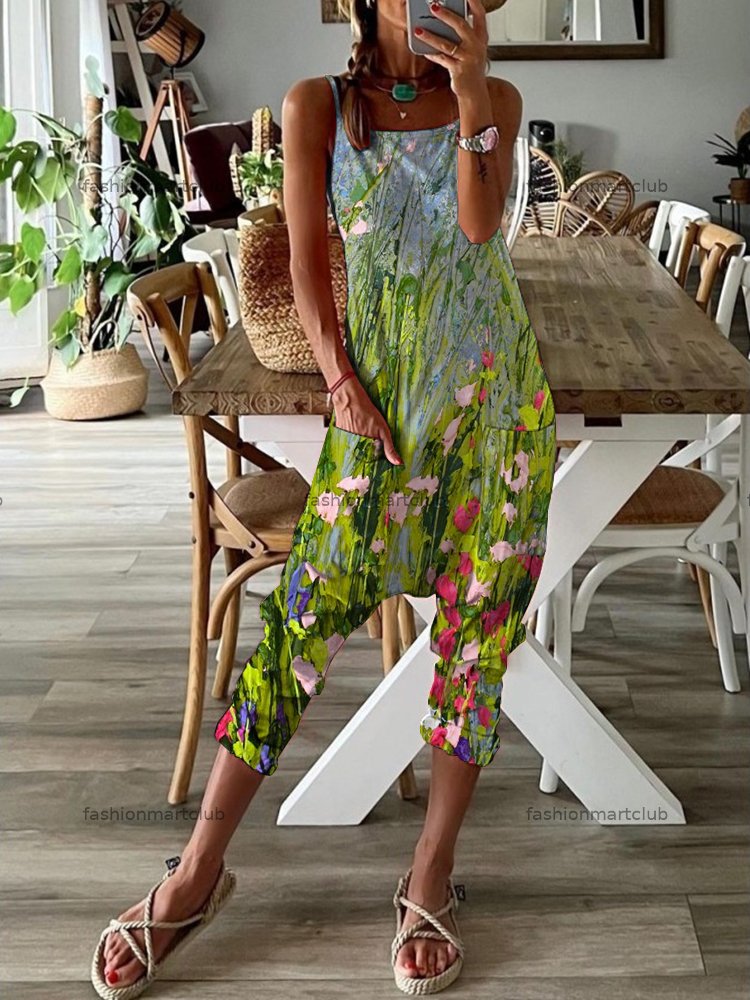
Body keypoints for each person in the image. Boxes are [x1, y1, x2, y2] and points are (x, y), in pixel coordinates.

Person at [90, 0, 556, 996]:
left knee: (476, 643)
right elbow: (307, 265)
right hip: (374, 413)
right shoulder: (317, 107)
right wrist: (340, 380)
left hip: (496, 415)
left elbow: (479, 228)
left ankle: (429, 873)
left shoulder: (497, 97)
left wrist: (474, 91)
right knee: (296, 626)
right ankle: (196, 874)